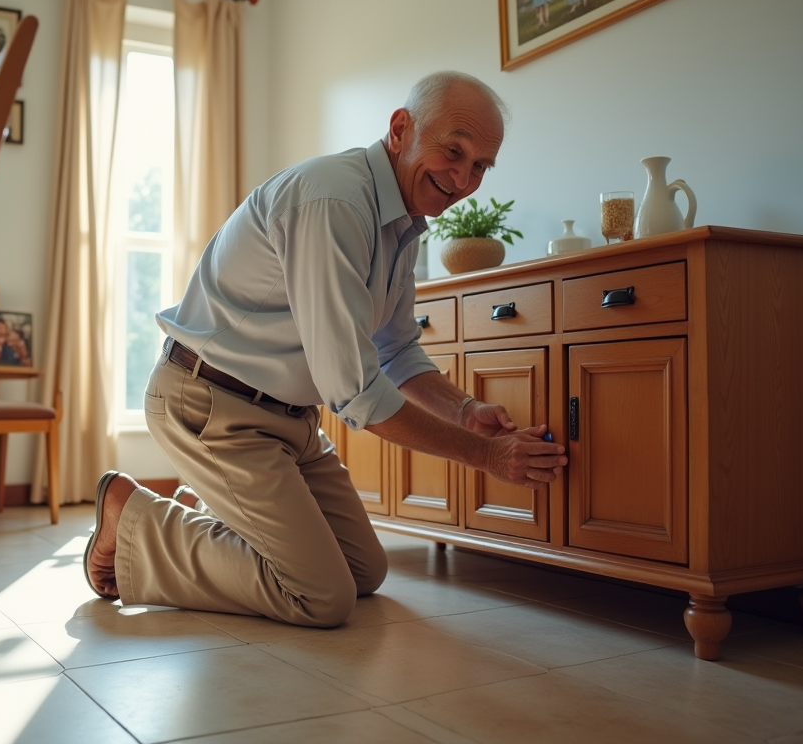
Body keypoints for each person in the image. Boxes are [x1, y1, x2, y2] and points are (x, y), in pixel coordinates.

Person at [83, 72, 567, 627]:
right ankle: (133, 516)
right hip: (209, 404)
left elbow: (398, 350)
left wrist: (464, 410)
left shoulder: (402, 223)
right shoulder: (337, 201)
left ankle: (217, 510)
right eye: (453, 150)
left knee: (364, 572)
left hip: (288, 422)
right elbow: (355, 389)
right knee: (320, 596)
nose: (462, 178)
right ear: (400, 128)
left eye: (481, 165)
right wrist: (485, 456)